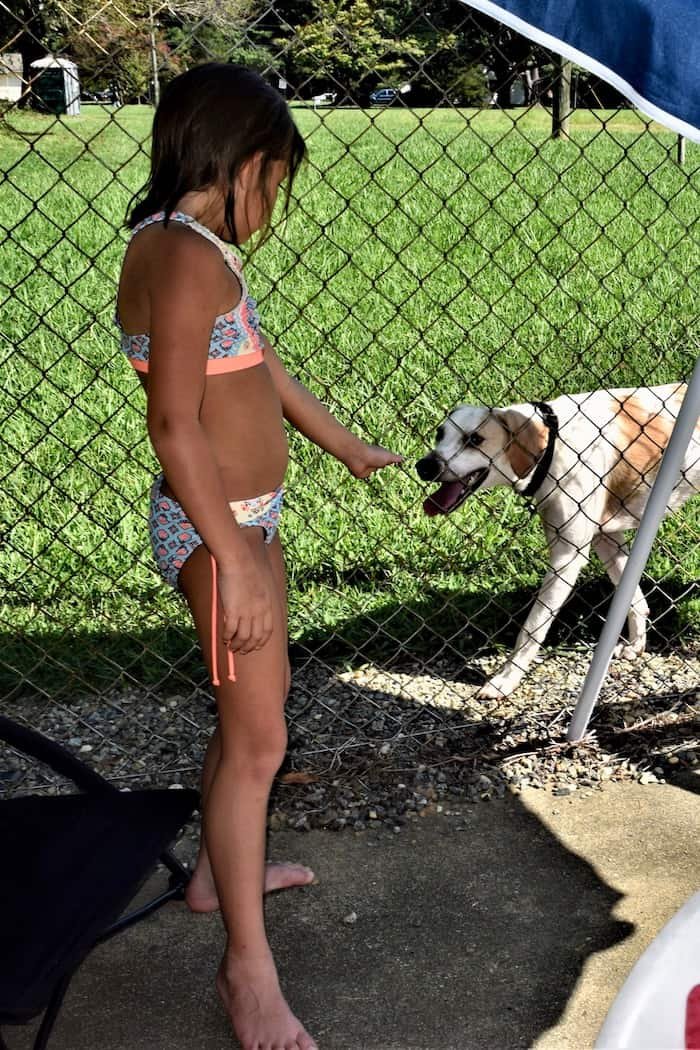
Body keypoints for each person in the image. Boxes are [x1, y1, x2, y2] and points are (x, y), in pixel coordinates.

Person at [115, 62, 402, 1050]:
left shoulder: (190, 247)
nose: (273, 202)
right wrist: (232, 557)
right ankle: (248, 970)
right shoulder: (183, 258)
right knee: (261, 747)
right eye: (273, 179)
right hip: (214, 530)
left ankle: (211, 875)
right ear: (236, 160)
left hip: (243, 523)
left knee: (252, 723)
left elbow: (263, 366)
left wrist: (342, 444)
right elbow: (173, 425)